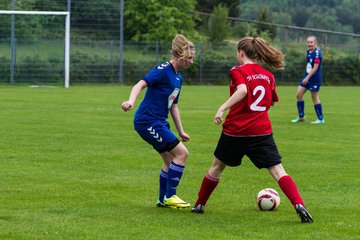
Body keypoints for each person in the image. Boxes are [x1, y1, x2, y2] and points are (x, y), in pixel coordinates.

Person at [191, 36, 313, 223]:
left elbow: (242, 90)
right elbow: (271, 101)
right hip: (261, 131)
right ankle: (299, 204)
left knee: (216, 167)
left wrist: (222, 108)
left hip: (235, 131)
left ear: (241, 53)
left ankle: (199, 204)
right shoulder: (269, 76)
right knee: (279, 171)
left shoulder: (237, 70)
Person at [121, 34, 195, 208]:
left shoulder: (179, 78)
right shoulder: (163, 70)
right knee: (182, 154)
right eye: (189, 58)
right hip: (147, 122)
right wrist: (131, 100)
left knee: (170, 161)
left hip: (159, 122)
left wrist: (181, 131)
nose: (191, 62)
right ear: (179, 55)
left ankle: (162, 200)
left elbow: (173, 106)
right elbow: (140, 83)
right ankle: (171, 196)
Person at [291, 36, 324, 124]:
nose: (309, 44)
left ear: (315, 43)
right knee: (298, 95)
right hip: (306, 77)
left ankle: (320, 119)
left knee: (314, 97)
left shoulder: (317, 53)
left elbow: (316, 67)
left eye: (311, 42)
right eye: (308, 42)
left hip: (314, 79)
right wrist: (306, 76)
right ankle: (301, 116)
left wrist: (307, 77)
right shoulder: (308, 51)